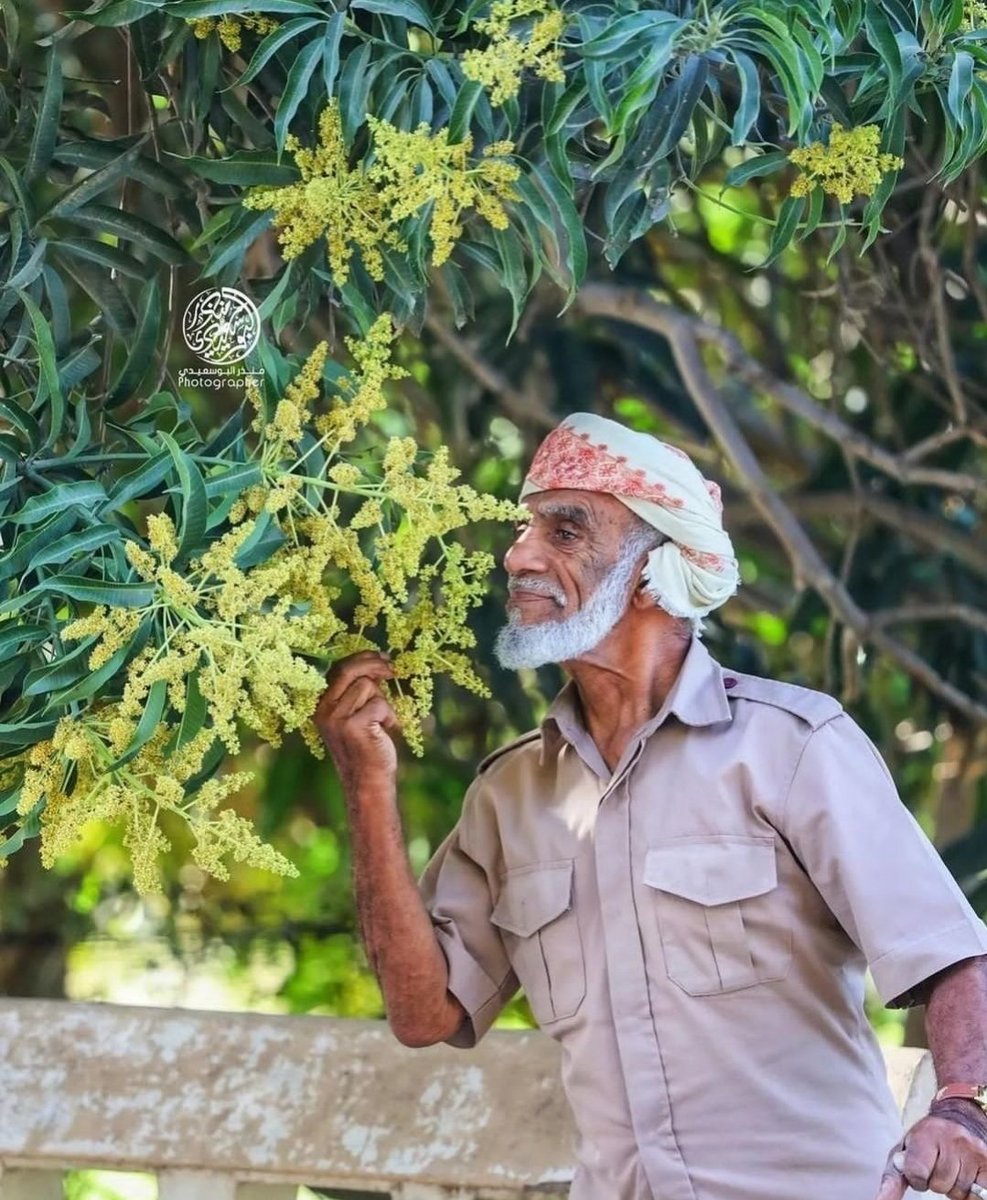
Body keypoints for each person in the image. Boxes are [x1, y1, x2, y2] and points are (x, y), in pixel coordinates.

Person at [316, 412, 987, 1200]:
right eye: (527, 528)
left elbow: (948, 953)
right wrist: (366, 786)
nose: (518, 554)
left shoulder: (791, 746)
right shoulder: (509, 795)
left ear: (652, 570)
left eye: (564, 531)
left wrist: (962, 1108)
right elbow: (424, 1013)